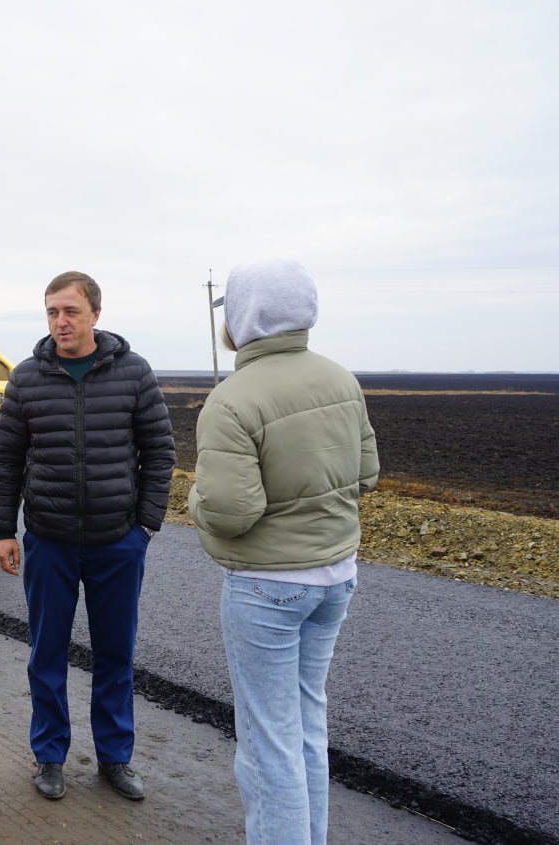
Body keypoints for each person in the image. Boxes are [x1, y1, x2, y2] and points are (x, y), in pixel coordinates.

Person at [187, 259, 379, 845]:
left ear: (243, 317)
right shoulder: (340, 379)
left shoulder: (232, 400)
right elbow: (367, 474)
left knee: (268, 746)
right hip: (336, 577)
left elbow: (230, 512)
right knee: (305, 730)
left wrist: (194, 500)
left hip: (267, 587)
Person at [0, 271, 175, 802]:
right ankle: (49, 757)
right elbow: (6, 459)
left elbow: (160, 452)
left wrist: (145, 525)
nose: (60, 322)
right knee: (46, 652)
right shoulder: (26, 378)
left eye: (69, 311)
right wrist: (5, 529)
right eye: (51, 312)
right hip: (49, 541)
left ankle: (115, 758)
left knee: (115, 653)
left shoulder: (134, 373)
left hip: (118, 541)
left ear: (95, 313)